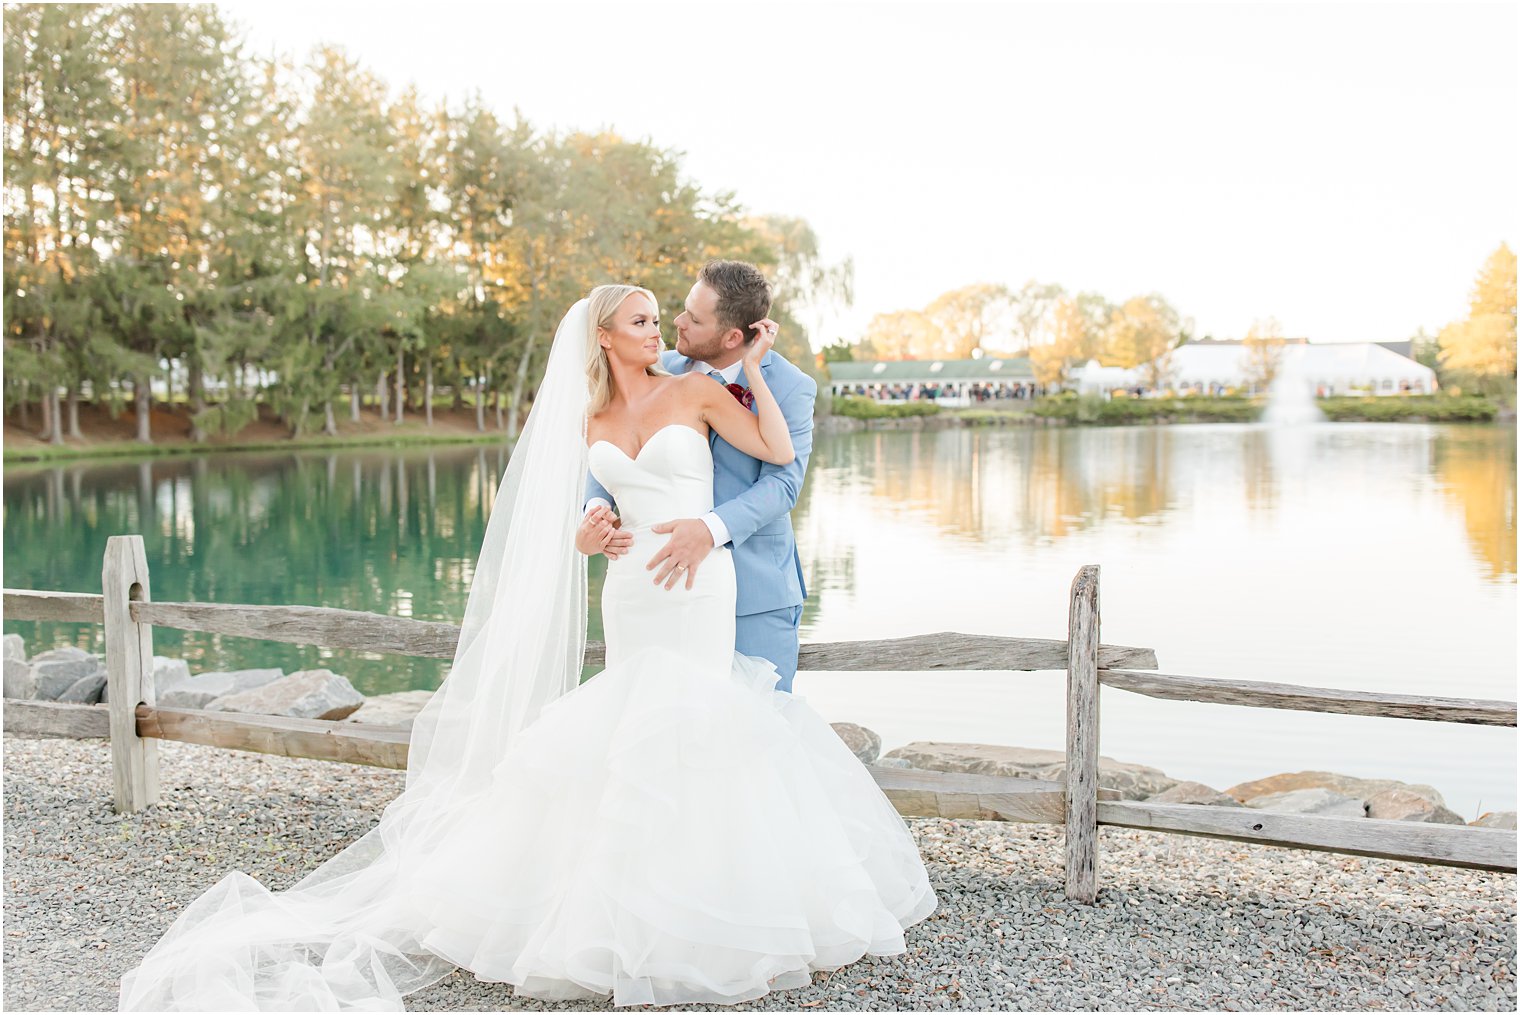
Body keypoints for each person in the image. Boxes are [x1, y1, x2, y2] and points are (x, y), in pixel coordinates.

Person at [117, 284, 938, 1011]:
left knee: (704, 724)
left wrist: (748, 386)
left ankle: (726, 907)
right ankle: (613, 911)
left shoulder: (705, 389)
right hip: (631, 587)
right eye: (646, 319)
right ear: (604, 339)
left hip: (704, 579)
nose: (664, 329)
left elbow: (781, 463)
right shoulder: (590, 419)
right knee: (629, 730)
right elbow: (589, 509)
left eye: (672, 317)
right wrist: (590, 531)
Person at [581, 260, 814, 692]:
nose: (675, 321)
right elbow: (609, 447)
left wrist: (709, 530)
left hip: (753, 590)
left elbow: (784, 484)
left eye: (693, 317)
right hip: (652, 579)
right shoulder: (659, 366)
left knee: (755, 727)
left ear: (731, 337)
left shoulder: (791, 386)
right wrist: (596, 510)